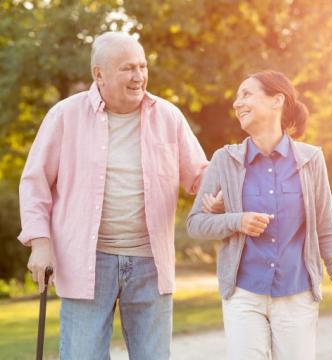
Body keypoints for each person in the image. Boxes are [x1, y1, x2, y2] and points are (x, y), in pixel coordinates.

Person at [18, 31, 208, 359]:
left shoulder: (168, 116)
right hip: (87, 260)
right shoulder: (65, 116)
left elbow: (200, 177)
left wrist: (219, 193)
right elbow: (35, 183)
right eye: (127, 68)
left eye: (142, 66)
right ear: (99, 74)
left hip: (151, 262)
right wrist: (40, 242)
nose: (139, 76)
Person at [187, 70, 332, 359]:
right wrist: (236, 221)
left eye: (246, 94)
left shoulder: (310, 160)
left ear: (277, 100)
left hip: (296, 293)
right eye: (238, 97)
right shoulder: (224, 160)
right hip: (244, 294)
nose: (237, 103)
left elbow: (326, 228)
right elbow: (196, 224)